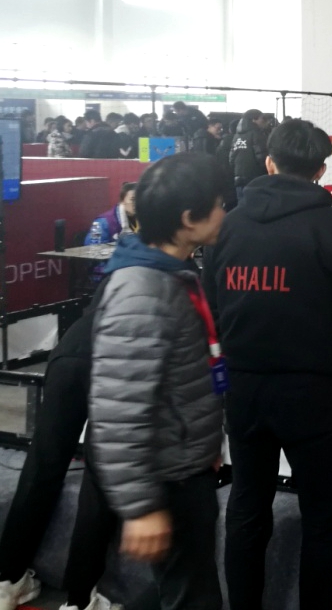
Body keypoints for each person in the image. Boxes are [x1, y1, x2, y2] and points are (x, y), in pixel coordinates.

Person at [203, 119, 332, 610]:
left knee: (247, 505)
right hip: (311, 393)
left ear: (268, 162)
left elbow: (212, 312)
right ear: (320, 170)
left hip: (243, 389)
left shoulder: (227, 227)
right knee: (324, 515)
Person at [89, 152, 226, 609]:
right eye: (218, 205)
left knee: (188, 587)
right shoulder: (142, 292)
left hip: (187, 466)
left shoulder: (172, 274)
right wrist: (142, 507)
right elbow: (117, 411)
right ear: (189, 219)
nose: (224, 213)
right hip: (169, 479)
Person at [0, 307, 122, 610]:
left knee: (43, 464)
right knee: (100, 479)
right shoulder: (183, 282)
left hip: (72, 349)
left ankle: (7, 580)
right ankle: (81, 601)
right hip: (115, 359)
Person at [230, 109, 269, 202]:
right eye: (262, 118)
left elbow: (231, 159)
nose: (264, 121)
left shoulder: (236, 136)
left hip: (238, 177)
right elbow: (261, 157)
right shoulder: (257, 134)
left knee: (242, 205)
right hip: (254, 178)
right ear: (253, 120)